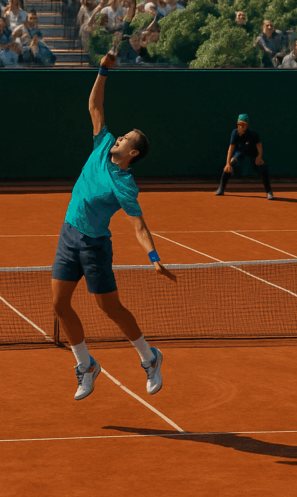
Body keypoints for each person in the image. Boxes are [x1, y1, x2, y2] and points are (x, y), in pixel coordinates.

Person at [51, 47, 174, 401]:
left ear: (132, 153)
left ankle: (149, 357)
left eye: (125, 140)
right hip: (69, 234)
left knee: (109, 308)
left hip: (94, 246)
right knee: (60, 305)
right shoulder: (102, 143)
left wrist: (154, 257)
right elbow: (94, 106)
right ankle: (86, 365)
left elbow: (139, 226)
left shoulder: (125, 185)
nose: (118, 138)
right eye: (120, 136)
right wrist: (103, 70)